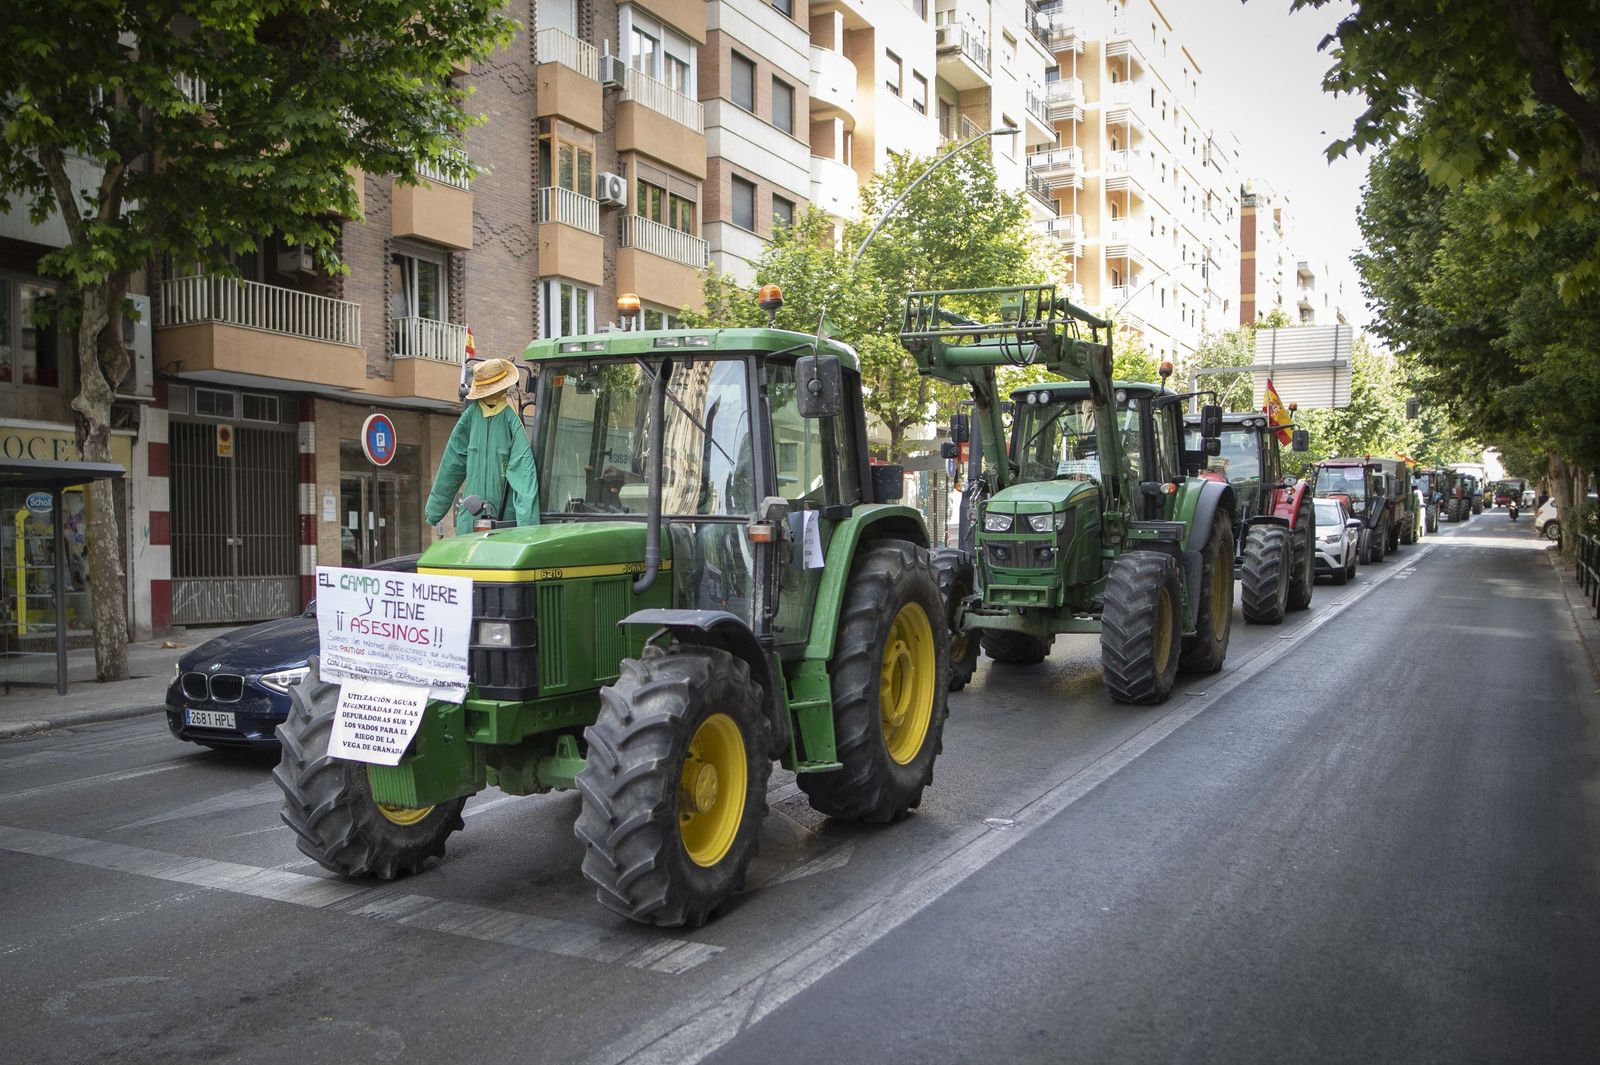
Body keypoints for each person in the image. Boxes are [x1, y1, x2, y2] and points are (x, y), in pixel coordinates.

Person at [425, 357, 540, 532]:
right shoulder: (470, 418)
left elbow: (524, 474)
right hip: (472, 520)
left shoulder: (510, 421)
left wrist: (528, 528)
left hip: (503, 523)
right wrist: (434, 510)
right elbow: (451, 464)